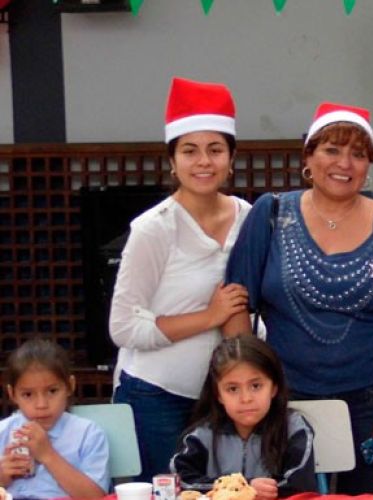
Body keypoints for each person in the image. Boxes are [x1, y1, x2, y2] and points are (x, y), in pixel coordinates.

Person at [225, 103, 373, 494]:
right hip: (282, 402)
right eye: (332, 150)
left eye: (358, 153)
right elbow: (235, 305)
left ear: (370, 164)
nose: (344, 163)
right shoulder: (270, 214)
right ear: (309, 156)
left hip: (370, 405)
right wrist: (250, 390)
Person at [109, 76, 251, 482]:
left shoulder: (248, 216)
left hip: (224, 398)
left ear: (231, 156)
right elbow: (122, 327)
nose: (203, 161)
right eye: (190, 151)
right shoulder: (153, 228)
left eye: (215, 149)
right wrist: (209, 316)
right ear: (172, 161)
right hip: (154, 397)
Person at [172, 336, 315, 497]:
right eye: (233, 389)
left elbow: (299, 485)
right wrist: (243, 487)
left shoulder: (293, 428)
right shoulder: (202, 434)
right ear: (218, 394)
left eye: (256, 386)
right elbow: (181, 480)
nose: (246, 398)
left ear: (274, 388)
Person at [0, 339, 109, 498]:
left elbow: (95, 497)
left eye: (52, 391)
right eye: (28, 395)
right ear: (12, 394)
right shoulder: (3, 432)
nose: (41, 404)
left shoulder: (88, 434)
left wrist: (48, 455)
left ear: (70, 386)